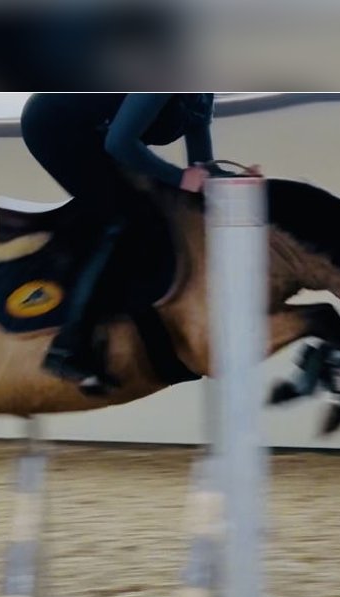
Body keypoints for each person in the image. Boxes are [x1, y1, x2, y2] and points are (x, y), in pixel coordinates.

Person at [20, 93, 215, 393]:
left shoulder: (205, 95)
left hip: (97, 131)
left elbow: (202, 167)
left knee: (150, 222)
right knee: (125, 221)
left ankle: (159, 351)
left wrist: (232, 181)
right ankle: (68, 347)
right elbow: (120, 144)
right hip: (54, 125)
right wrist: (180, 179)